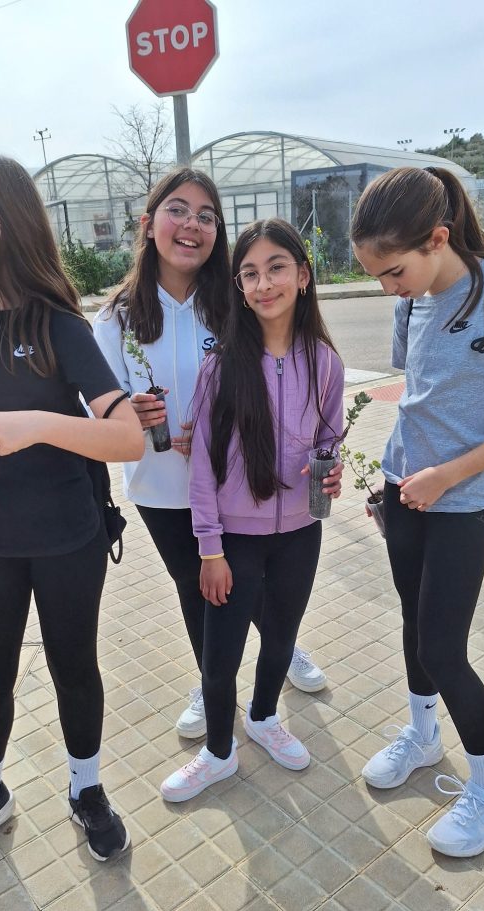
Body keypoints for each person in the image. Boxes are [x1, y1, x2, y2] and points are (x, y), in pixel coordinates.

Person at [0, 155, 144, 867]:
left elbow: (127, 436)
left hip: (68, 539)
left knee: (75, 667)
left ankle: (86, 788)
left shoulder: (58, 327)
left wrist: (37, 424)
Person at [350, 166, 484, 857]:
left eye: (394, 271)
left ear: (437, 238)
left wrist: (448, 474)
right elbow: (422, 392)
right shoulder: (412, 302)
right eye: (377, 276)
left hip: (463, 497)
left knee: (443, 648)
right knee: (414, 624)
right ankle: (422, 734)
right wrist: (402, 476)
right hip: (405, 486)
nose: (388, 288)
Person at [94, 170, 339, 743]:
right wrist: (129, 412)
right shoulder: (117, 317)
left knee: (253, 583)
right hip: (162, 485)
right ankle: (211, 686)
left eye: (207, 216)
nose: (193, 225)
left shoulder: (232, 301)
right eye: (178, 211)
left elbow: (283, 376)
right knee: (198, 585)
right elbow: (95, 406)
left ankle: (281, 644)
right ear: (148, 224)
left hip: (237, 484)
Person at [160, 218, 345, 802]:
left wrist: (331, 471)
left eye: (276, 268)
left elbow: (329, 438)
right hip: (234, 541)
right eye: (249, 274)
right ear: (239, 288)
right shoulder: (222, 366)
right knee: (220, 658)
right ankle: (219, 753)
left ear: (303, 276)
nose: (264, 284)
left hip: (301, 534)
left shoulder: (325, 362)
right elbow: (203, 467)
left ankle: (264, 718)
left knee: (282, 640)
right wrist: (210, 549)